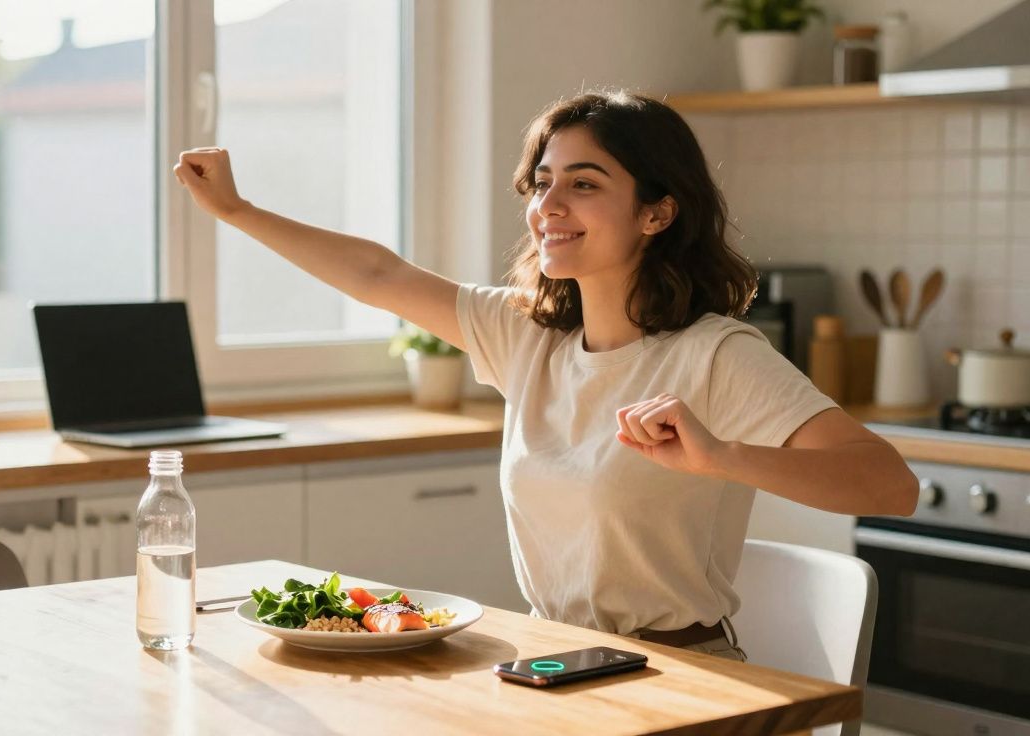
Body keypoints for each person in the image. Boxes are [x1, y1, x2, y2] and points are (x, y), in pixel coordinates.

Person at [174, 90, 917, 661]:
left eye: (584, 184)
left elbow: (890, 483)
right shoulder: (527, 337)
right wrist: (235, 210)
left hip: (683, 678)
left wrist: (719, 457)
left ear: (657, 213)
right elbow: (378, 273)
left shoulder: (714, 354)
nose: (547, 206)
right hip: (554, 663)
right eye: (541, 181)